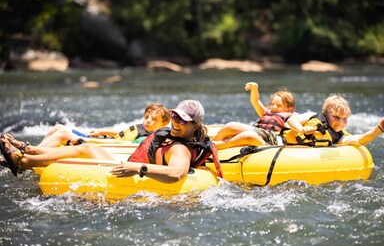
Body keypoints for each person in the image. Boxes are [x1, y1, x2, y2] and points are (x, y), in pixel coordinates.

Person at [0, 100, 222, 182]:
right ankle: (26, 156)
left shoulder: (181, 149)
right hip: (132, 166)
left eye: (182, 120)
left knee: (85, 149)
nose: (175, 122)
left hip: (133, 172)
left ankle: (24, 161)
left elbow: (176, 174)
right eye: (174, 116)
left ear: (194, 125)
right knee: (86, 147)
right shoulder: (181, 135)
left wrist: (138, 168)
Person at [212, 82, 314, 150]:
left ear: (289, 109)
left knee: (243, 133)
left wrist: (302, 130)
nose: (274, 107)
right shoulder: (267, 113)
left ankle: (214, 147)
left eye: (278, 105)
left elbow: (294, 123)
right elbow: (255, 102)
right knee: (230, 127)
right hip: (258, 134)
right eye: (273, 104)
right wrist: (254, 89)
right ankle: (210, 145)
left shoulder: (289, 116)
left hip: (269, 141)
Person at [37, 103, 170, 147]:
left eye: (154, 120)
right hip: (103, 140)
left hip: (101, 146)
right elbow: (121, 134)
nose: (148, 121)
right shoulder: (140, 128)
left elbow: (125, 144)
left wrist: (90, 140)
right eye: (147, 117)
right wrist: (102, 132)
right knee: (58, 127)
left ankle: (32, 153)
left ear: (163, 124)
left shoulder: (150, 137)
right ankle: (35, 150)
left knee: (64, 133)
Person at [282, 94, 384, 146]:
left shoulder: (340, 136)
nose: (340, 121)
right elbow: (291, 120)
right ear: (325, 113)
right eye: (336, 117)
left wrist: (379, 129)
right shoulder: (312, 116)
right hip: (278, 142)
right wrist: (302, 129)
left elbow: (360, 139)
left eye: (344, 119)